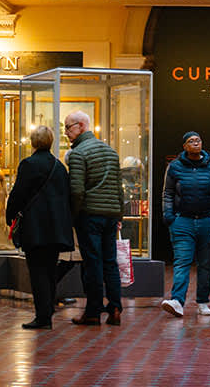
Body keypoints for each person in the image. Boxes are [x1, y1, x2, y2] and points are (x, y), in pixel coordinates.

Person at [5, 125, 75, 330]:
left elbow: (18, 194)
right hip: (56, 229)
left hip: (35, 228)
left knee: (37, 272)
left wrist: (10, 216)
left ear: (33, 142)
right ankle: (48, 311)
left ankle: (43, 316)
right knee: (49, 270)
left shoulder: (28, 164)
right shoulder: (59, 167)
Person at [65, 110, 125, 327]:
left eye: (68, 127)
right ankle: (116, 307)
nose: (66, 133)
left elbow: (77, 190)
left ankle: (92, 312)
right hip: (110, 216)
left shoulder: (79, 153)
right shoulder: (110, 151)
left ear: (81, 126)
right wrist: (119, 214)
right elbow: (119, 188)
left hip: (89, 215)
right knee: (110, 262)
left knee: (92, 263)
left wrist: (73, 215)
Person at [161, 131, 210, 317]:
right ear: (184, 146)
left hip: (208, 220)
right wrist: (169, 215)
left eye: (198, 140)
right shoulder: (175, 167)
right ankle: (177, 301)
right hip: (182, 221)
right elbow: (168, 193)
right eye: (191, 141)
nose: (195, 143)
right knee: (182, 261)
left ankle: (202, 302)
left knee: (206, 263)